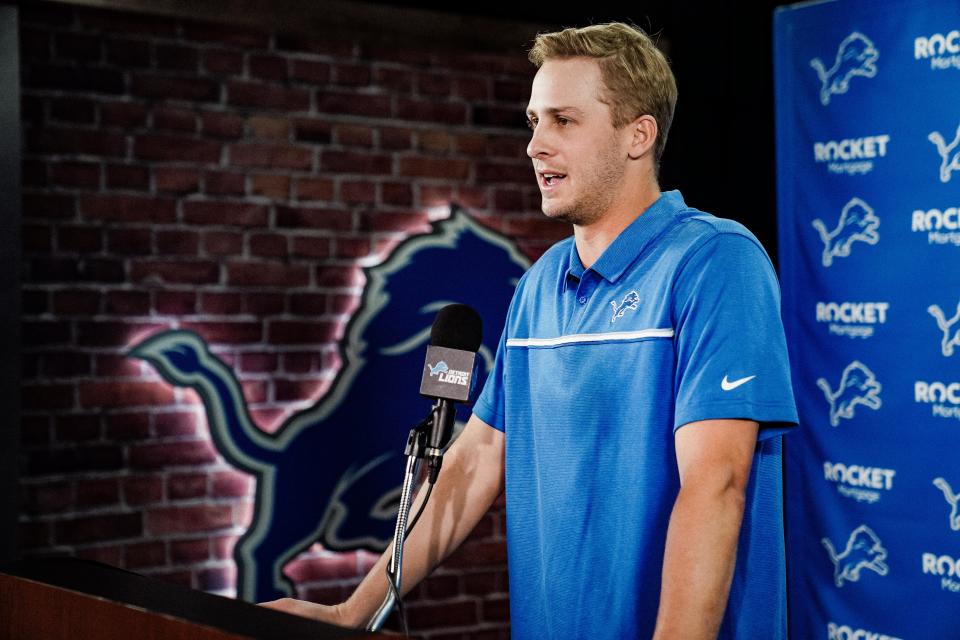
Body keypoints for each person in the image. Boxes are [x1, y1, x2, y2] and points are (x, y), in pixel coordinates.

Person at [262, 22, 798, 639]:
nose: (535, 146)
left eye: (563, 121)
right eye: (533, 121)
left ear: (638, 135)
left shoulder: (716, 261)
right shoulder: (542, 283)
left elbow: (717, 485)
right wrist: (353, 612)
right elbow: (480, 455)